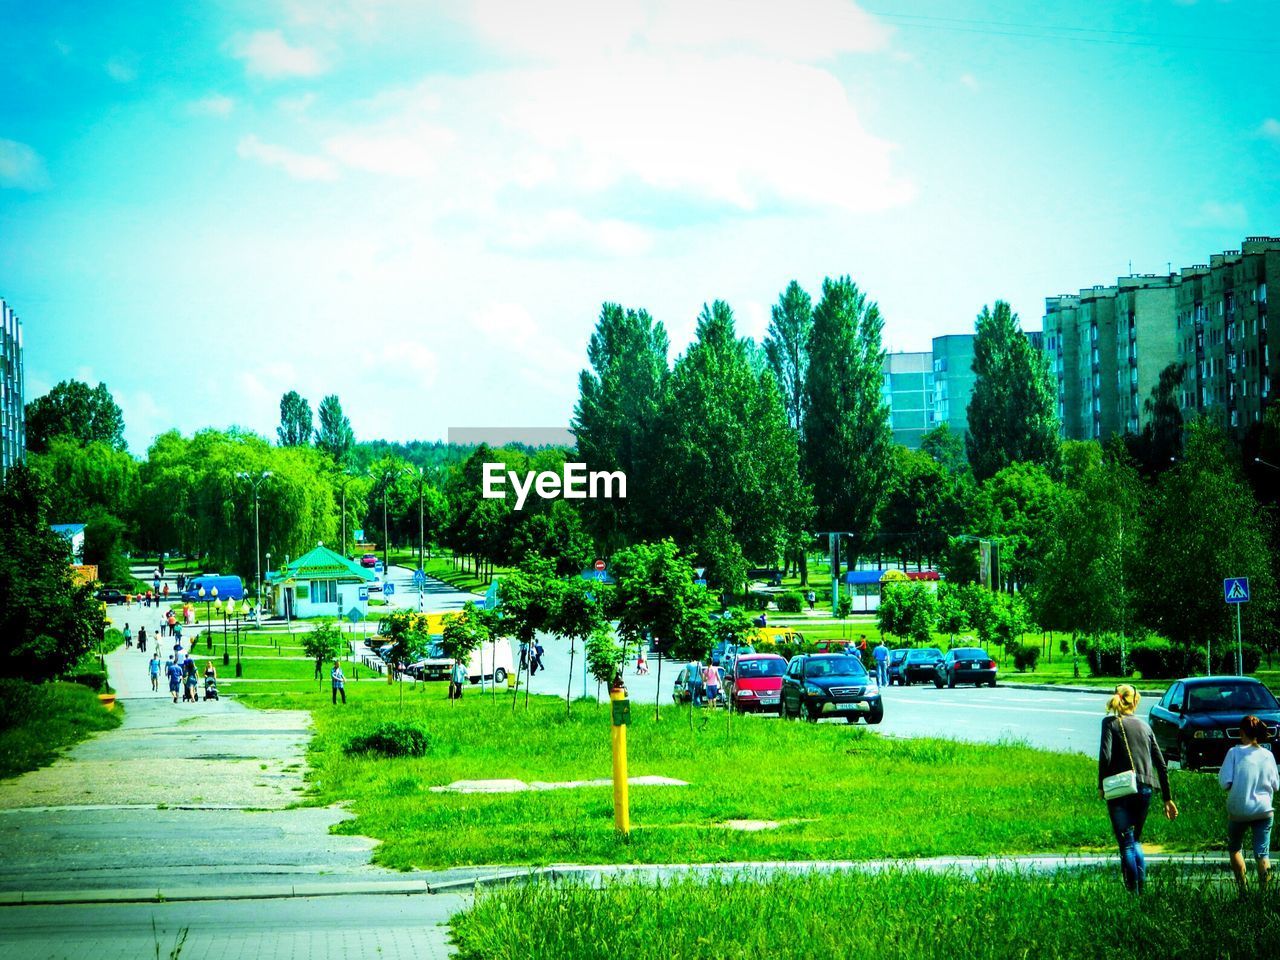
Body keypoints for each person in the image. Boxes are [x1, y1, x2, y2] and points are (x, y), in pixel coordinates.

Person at [1097, 684, 1177, 893]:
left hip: (1121, 788)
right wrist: (1167, 798)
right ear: (1135, 701)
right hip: (1145, 789)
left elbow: (1105, 756)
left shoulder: (1110, 723)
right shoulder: (1145, 727)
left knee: (1126, 843)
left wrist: (1101, 785)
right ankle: (1141, 888)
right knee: (1135, 841)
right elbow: (1161, 764)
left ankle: (1134, 893)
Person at [1220, 715, 1279, 891]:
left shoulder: (1234, 753)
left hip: (1240, 810)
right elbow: (1276, 785)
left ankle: (1243, 890)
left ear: (1241, 733)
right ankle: (1264, 894)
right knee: (1262, 853)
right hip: (1264, 810)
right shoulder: (1268, 755)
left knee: (1235, 848)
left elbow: (1225, 783)